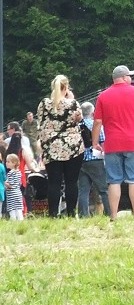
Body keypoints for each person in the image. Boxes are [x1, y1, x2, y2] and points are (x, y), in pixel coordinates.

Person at [93, 66, 134, 221]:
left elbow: (97, 122)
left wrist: (95, 142)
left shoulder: (103, 96)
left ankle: (113, 215)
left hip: (113, 143)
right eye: (129, 76)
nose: (131, 79)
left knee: (114, 181)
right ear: (124, 77)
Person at [38, 74, 85, 217]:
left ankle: (53, 214)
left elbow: (41, 121)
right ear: (66, 88)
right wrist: (70, 97)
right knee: (72, 181)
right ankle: (71, 213)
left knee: (54, 182)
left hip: (52, 148)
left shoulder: (44, 104)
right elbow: (79, 119)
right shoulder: (73, 103)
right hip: (72, 148)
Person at [77, 101, 110, 218]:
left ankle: (83, 215)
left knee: (83, 191)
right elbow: (102, 141)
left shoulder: (77, 126)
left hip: (80, 161)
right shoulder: (95, 125)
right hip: (95, 159)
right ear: (92, 112)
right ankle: (109, 213)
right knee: (103, 189)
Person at [5, 154, 24, 221]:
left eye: (8, 161)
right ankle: (21, 220)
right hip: (18, 193)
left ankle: (13, 221)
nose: (6, 163)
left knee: (12, 209)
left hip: (12, 194)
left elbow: (10, 185)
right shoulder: (19, 172)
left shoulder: (10, 173)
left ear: (14, 163)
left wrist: (3, 182)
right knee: (18, 209)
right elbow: (19, 183)